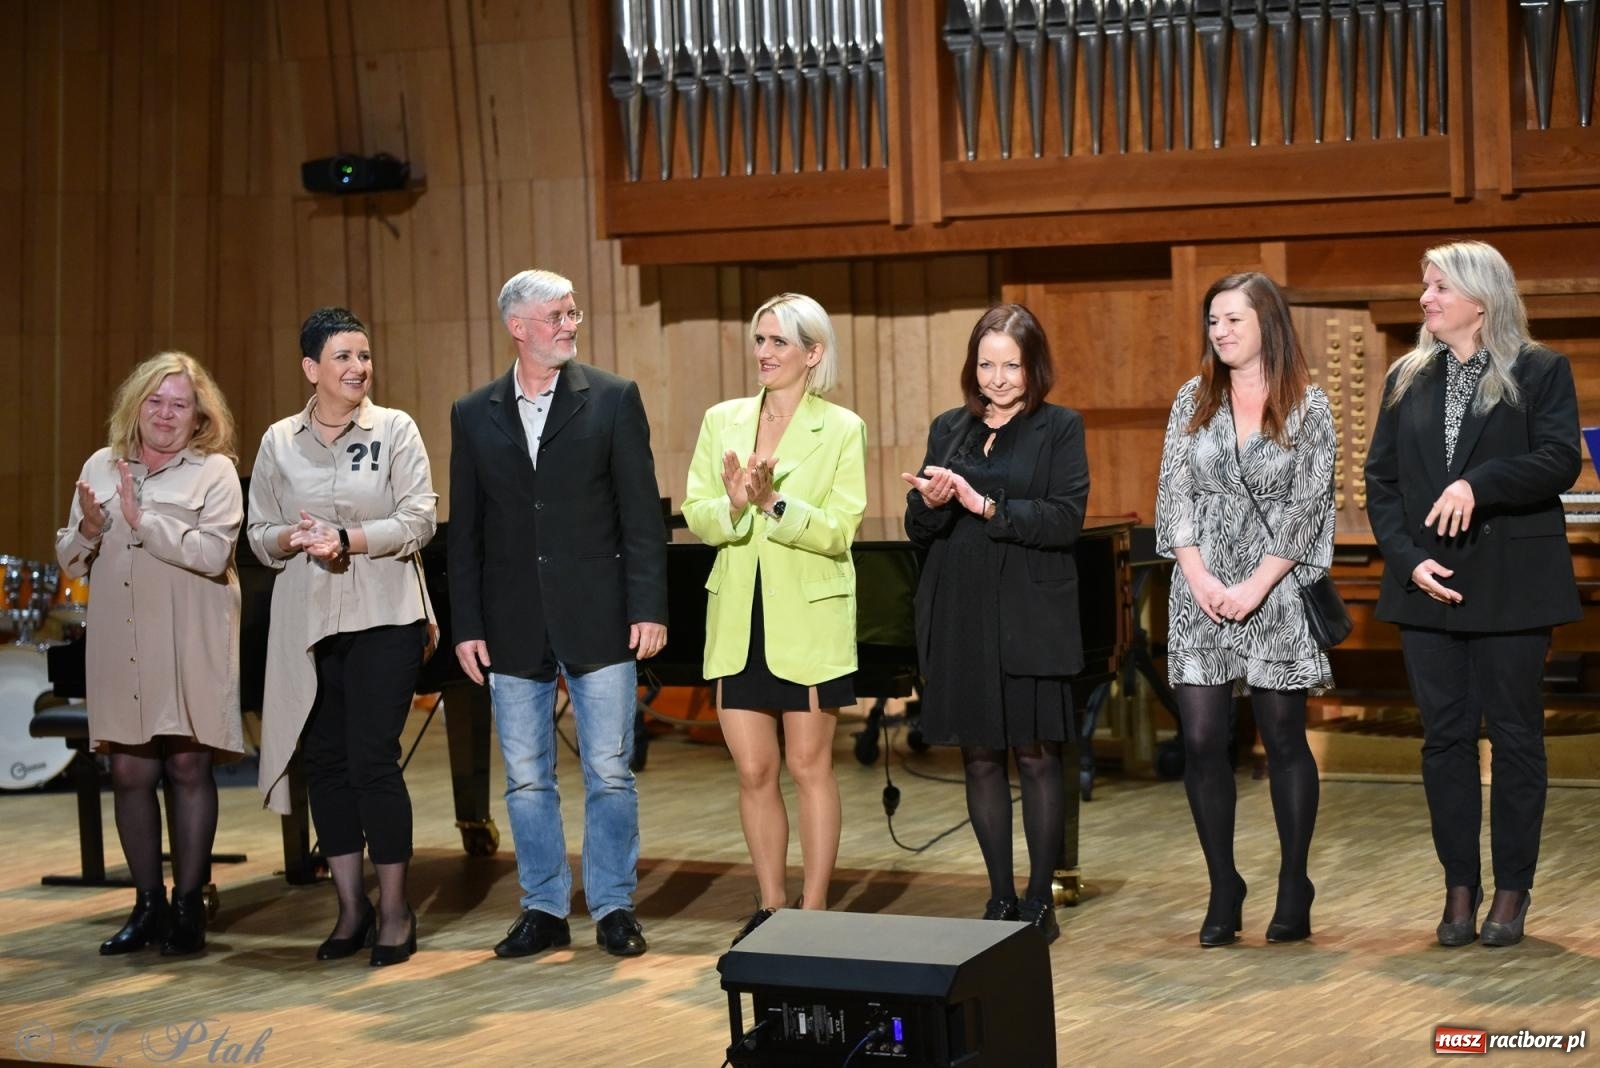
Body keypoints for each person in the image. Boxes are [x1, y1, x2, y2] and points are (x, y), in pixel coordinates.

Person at [1365, 241, 1581, 948]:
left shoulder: (1539, 369)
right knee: (1445, 741)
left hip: (1513, 587)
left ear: (1480, 300)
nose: (1425, 298)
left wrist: (1475, 486)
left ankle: (1513, 889)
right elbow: (1382, 482)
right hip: (1428, 584)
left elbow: (1556, 460)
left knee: (1516, 740)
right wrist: (1406, 561)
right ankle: (1461, 884)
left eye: (1438, 288)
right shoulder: (1406, 377)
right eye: (1424, 285)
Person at [449, 269, 667, 959]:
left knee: (609, 770)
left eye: (574, 312)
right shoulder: (472, 412)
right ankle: (542, 907)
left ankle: (613, 906)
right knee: (525, 777)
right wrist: (467, 624)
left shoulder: (612, 398)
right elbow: (467, 533)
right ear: (519, 327)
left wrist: (649, 606)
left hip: (600, 616)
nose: (570, 324)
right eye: (557, 315)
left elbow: (641, 517)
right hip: (511, 621)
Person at [248, 308, 437, 967]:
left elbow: (419, 519)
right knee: (324, 761)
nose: (359, 368)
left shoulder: (395, 429)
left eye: (364, 355)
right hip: (307, 624)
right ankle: (350, 906)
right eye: (343, 358)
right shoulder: (278, 441)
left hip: (385, 614)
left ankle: (393, 909)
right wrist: (291, 538)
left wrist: (348, 539)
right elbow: (258, 533)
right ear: (311, 369)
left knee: (371, 757)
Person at [1154, 273, 1336, 947]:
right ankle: (1223, 883)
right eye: (1213, 322)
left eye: (1232, 319)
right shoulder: (1192, 400)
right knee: (1202, 739)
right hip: (1199, 590)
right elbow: (1173, 493)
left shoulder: (1309, 406)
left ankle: (1294, 880)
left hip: (1276, 591)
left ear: (1267, 323)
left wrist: (1256, 586)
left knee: (1283, 739)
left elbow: (1307, 507)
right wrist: (1198, 573)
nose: (1220, 331)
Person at [683, 293, 867, 946]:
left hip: (808, 623)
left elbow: (841, 531)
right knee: (753, 771)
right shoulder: (721, 420)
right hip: (740, 620)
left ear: (812, 354)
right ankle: (771, 905)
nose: (763, 353)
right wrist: (734, 504)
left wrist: (774, 501)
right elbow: (698, 514)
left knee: (808, 766)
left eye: (777, 342)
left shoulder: (841, 428)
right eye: (759, 340)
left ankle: (814, 912)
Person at [901, 304, 1089, 945]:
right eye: (987, 364)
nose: (999, 377)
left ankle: (1041, 898)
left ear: (1034, 365)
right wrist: (929, 503)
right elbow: (918, 529)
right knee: (980, 756)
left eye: (1011, 364)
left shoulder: (1060, 427)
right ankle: (1000, 897)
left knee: (1036, 755)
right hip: (960, 610)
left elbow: (1065, 519)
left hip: (1031, 611)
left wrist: (984, 505)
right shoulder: (948, 428)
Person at [56, 352, 243, 957]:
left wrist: (142, 522)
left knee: (188, 767)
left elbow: (214, 556)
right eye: (155, 402)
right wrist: (88, 528)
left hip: (189, 638)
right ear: (136, 408)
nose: (165, 414)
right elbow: (69, 558)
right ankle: (147, 906)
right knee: (131, 771)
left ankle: (190, 906)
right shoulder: (100, 466)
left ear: (198, 416)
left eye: (179, 404)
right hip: (122, 639)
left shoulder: (214, 473)